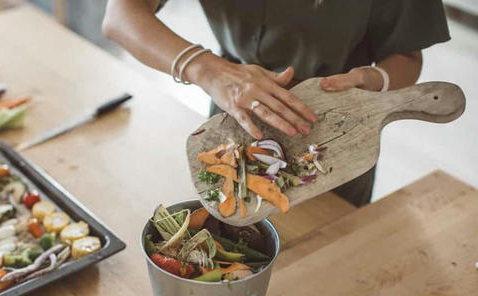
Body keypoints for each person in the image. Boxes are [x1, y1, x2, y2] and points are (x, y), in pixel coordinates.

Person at [102, 0, 450, 206]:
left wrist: (373, 83)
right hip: (236, 117)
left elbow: (406, 54)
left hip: (339, 130)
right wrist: (208, 70)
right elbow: (120, 15)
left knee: (335, 264)